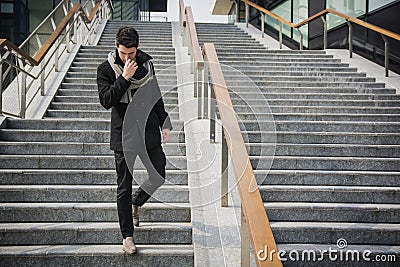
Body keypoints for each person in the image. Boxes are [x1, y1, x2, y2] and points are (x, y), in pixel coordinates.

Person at [97, 26, 172, 254]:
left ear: (137, 49)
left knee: (159, 173)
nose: (127, 57)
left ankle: (136, 202)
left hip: (148, 131)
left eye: (131, 53)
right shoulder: (105, 69)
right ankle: (127, 236)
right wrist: (124, 78)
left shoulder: (147, 65)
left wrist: (165, 122)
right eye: (123, 53)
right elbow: (106, 100)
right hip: (124, 135)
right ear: (116, 48)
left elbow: (155, 94)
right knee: (124, 186)